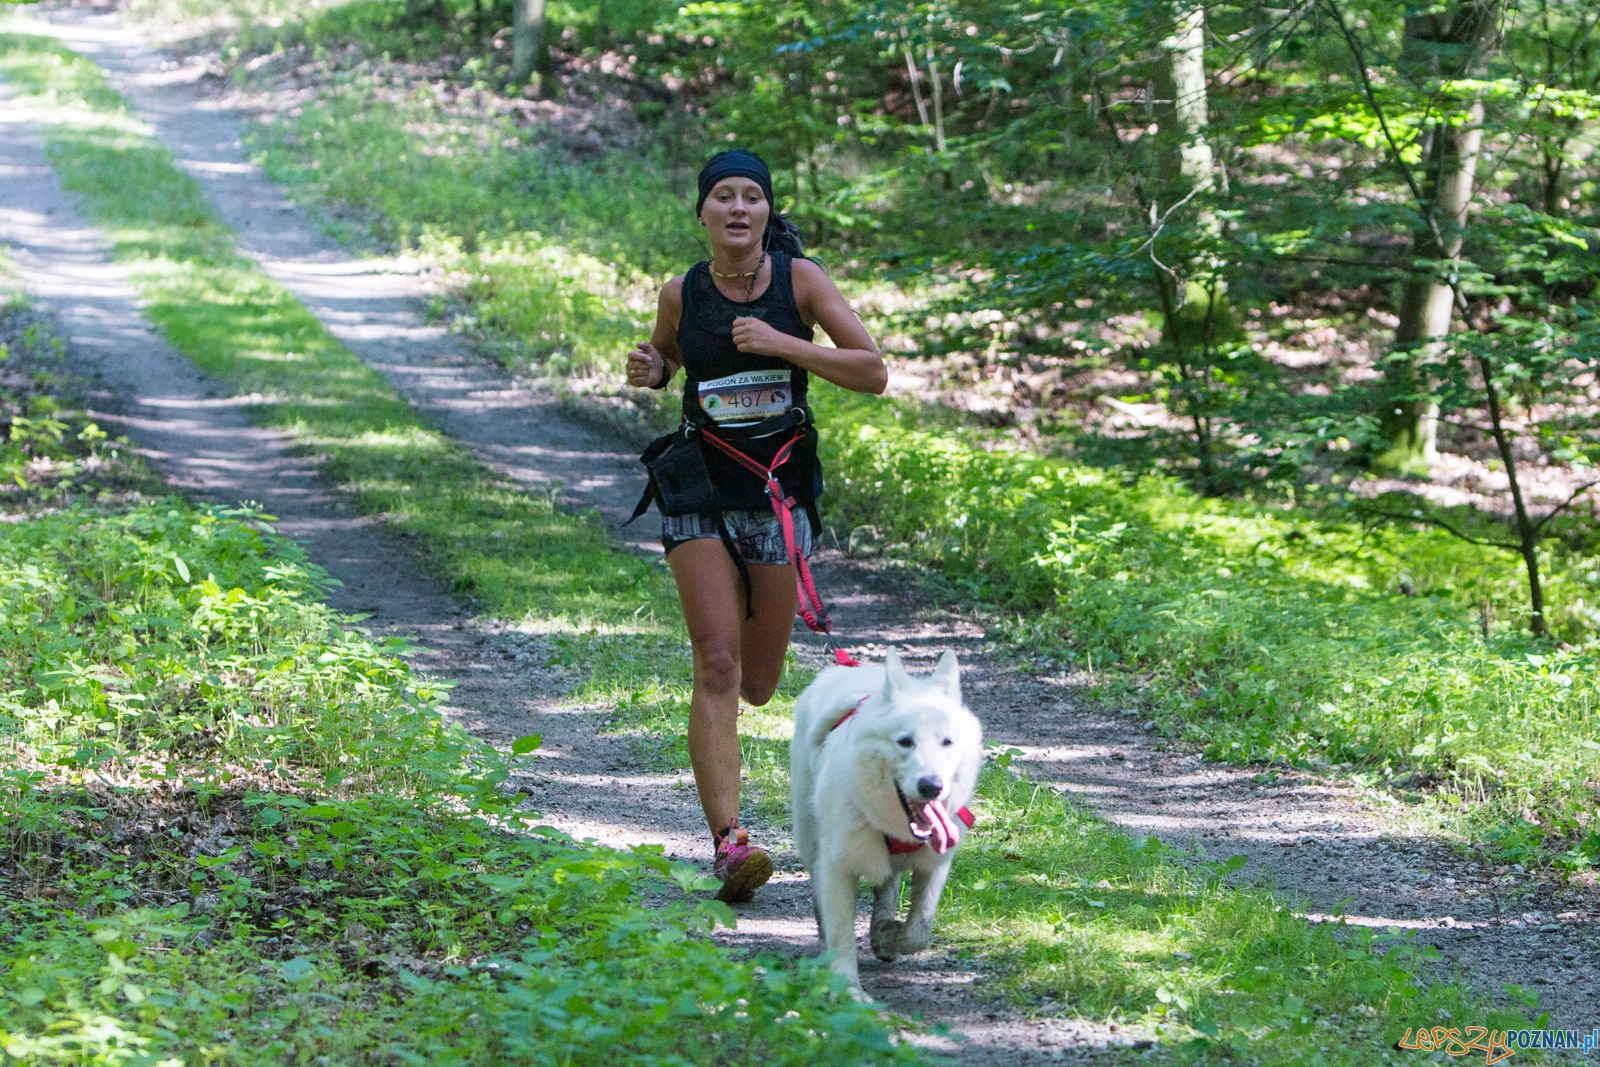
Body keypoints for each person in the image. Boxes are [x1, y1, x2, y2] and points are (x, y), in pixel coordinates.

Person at [625, 149, 887, 903]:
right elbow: (669, 359)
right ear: (703, 213)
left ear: (768, 212)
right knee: (715, 662)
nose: (738, 209)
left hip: (777, 495)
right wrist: (653, 369)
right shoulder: (683, 291)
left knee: (761, 681)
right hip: (699, 488)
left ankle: (734, 808)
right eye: (723, 198)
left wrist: (782, 344)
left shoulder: (801, 282)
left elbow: (872, 370)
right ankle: (730, 842)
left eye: (752, 198)